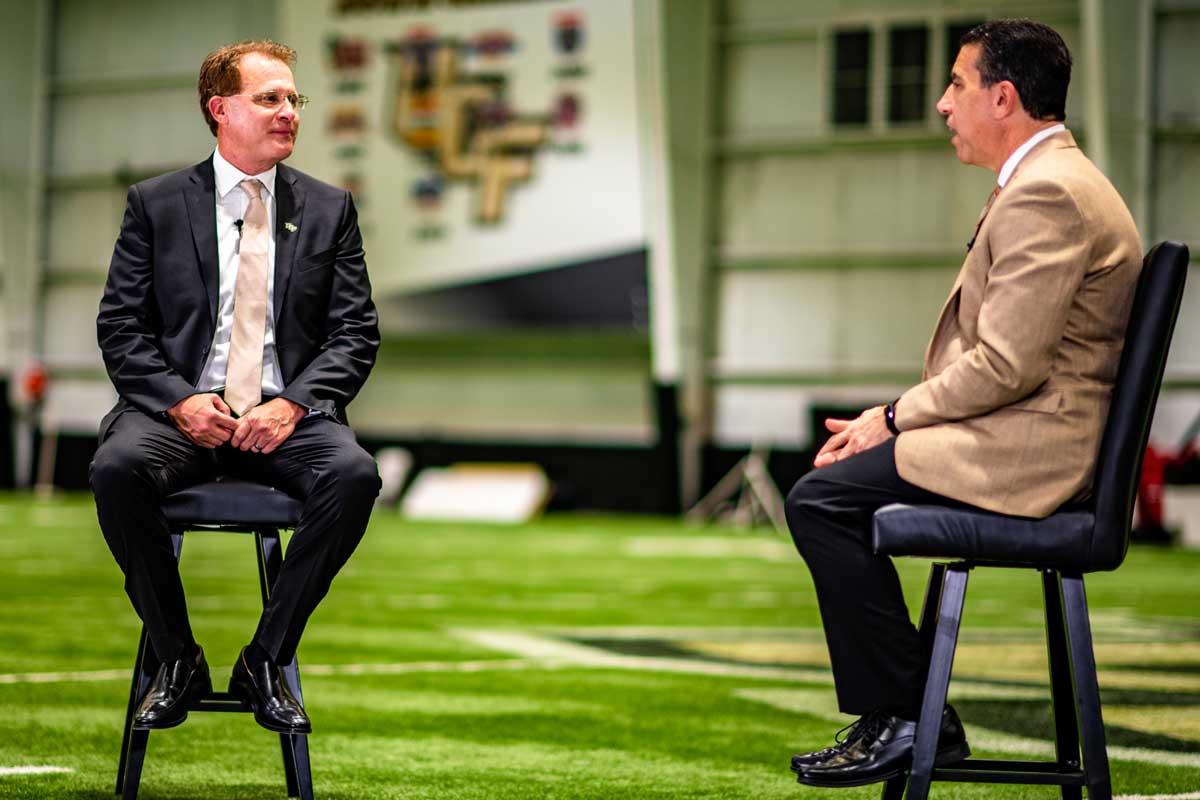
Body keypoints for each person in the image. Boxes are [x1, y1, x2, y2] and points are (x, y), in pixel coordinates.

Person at [786, 19, 1141, 788]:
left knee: (821, 501)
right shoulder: (1053, 182)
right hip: (1029, 435)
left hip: (1035, 456)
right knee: (834, 487)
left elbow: (1005, 366)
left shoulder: (1049, 193)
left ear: (1003, 97)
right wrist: (891, 423)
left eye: (958, 84)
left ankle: (911, 715)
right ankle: (912, 712)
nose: (945, 103)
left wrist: (890, 417)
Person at [90, 40, 381, 735]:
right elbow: (121, 328)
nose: (288, 112)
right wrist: (180, 400)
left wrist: (292, 405)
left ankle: (265, 661)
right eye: (269, 98)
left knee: (354, 475)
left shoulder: (328, 208)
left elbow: (354, 334)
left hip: (284, 416)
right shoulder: (156, 204)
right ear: (220, 109)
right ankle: (176, 657)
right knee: (116, 467)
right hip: (179, 414)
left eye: (293, 99)